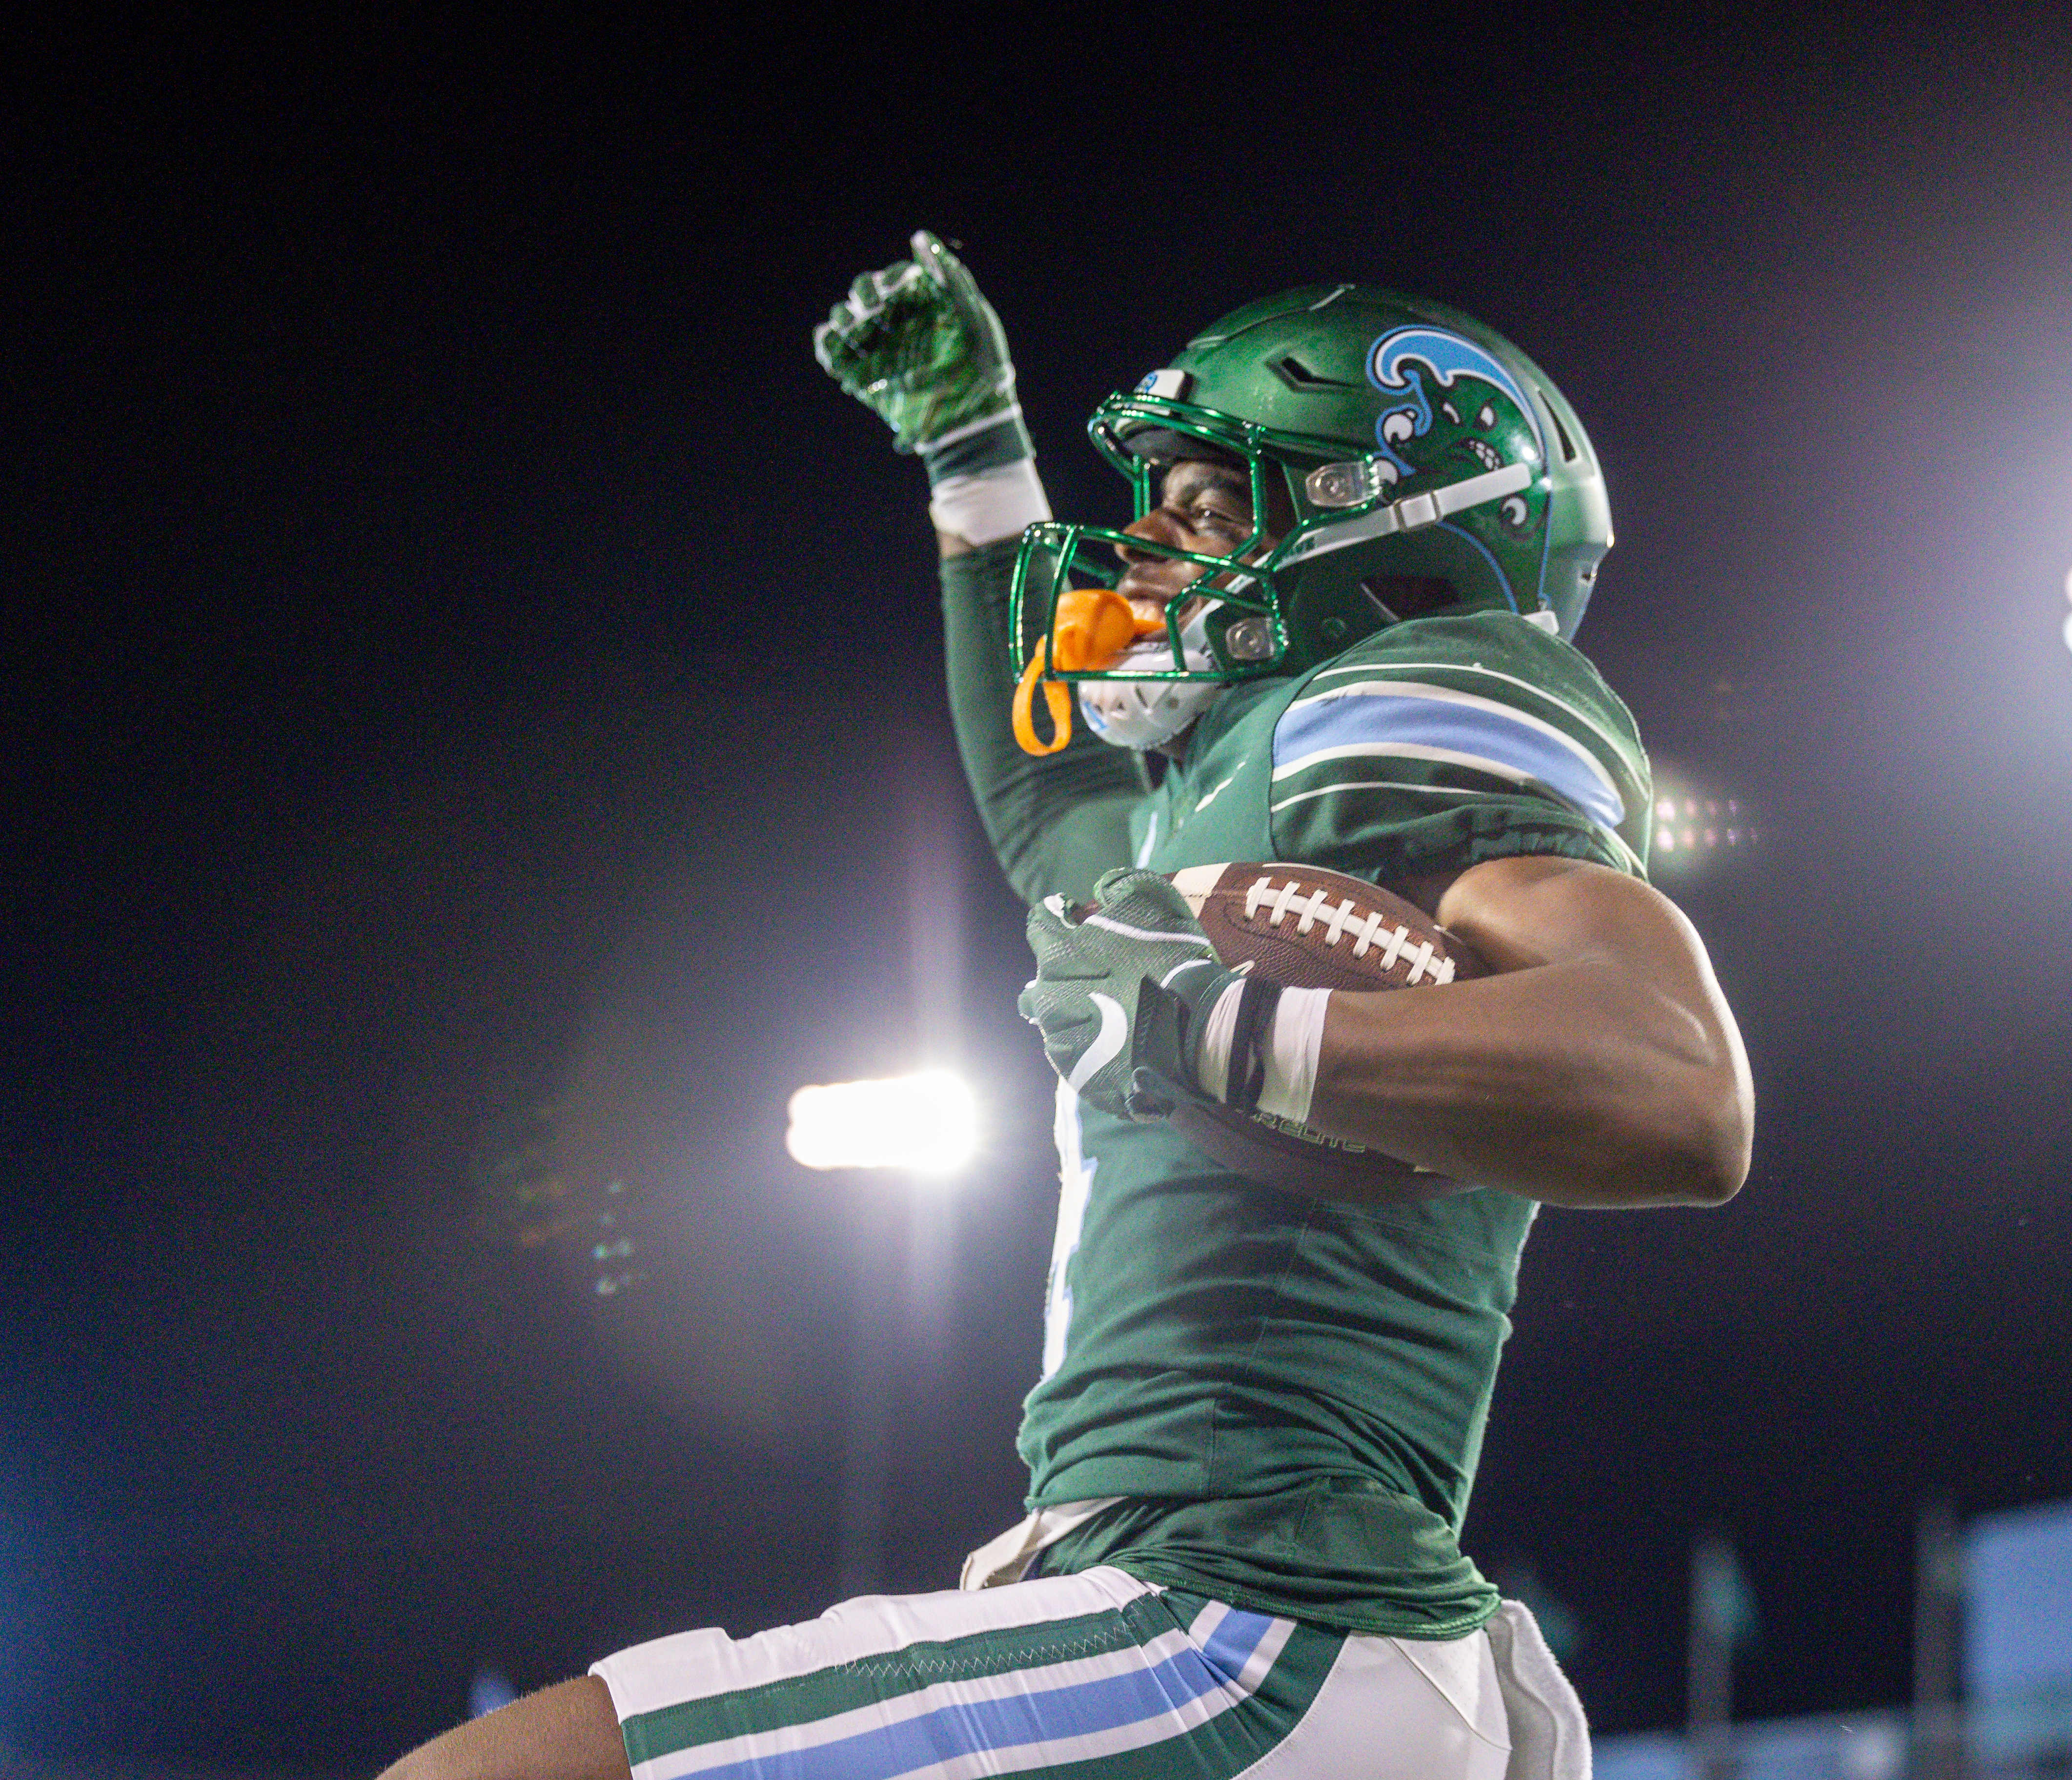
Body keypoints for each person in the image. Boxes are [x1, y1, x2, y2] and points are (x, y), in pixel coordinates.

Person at [378, 234, 1750, 1780]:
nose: (1150, 552)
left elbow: (1679, 1085)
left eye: (1214, 505)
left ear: (1401, 541)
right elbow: (1050, 803)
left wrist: (1227, 1029)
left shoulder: (1418, 696)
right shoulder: (1216, 809)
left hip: (1257, 1617)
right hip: (1224, 1608)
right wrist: (973, 454)